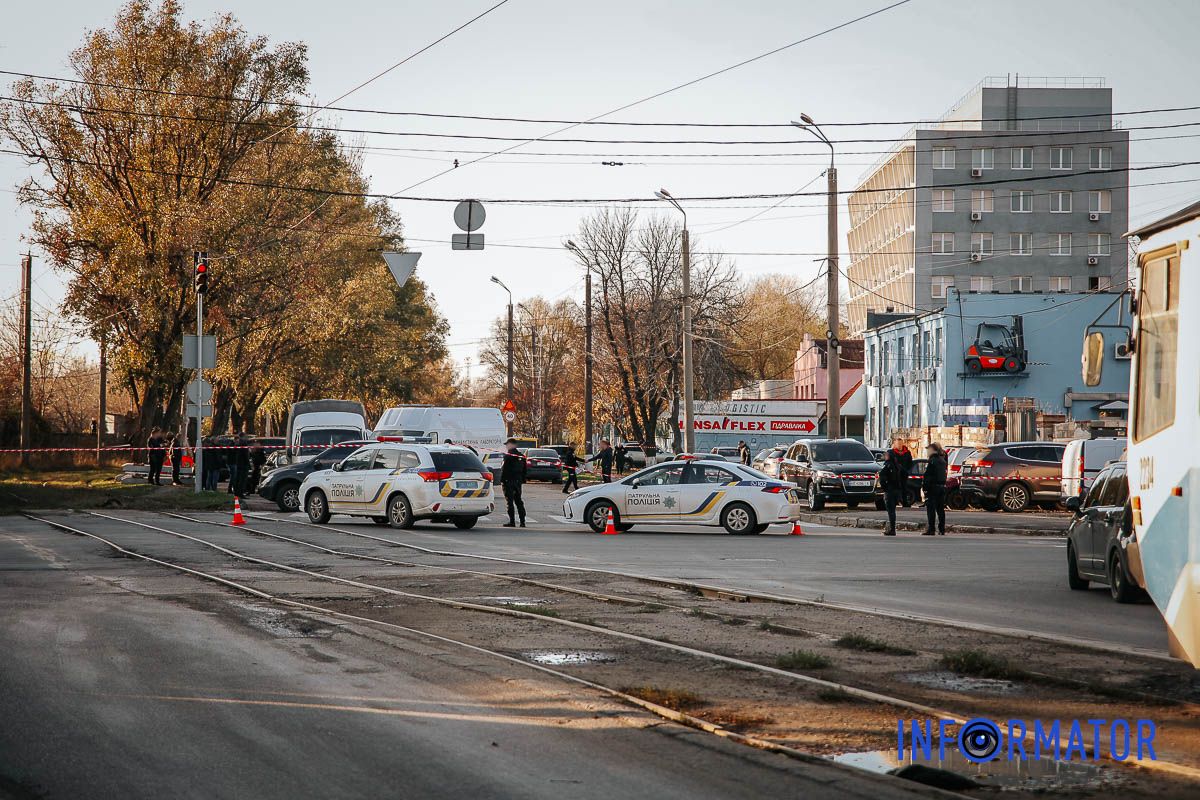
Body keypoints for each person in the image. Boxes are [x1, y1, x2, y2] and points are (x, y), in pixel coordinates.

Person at [878, 436, 913, 536]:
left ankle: (892, 529)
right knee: (892, 511)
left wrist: (885, 488)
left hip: (891, 490)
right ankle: (892, 528)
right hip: (896, 489)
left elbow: (882, 477)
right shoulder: (897, 466)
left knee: (891, 511)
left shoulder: (888, 465)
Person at [499, 438, 526, 528]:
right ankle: (522, 522)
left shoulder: (508, 456)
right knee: (519, 501)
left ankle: (512, 521)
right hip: (518, 481)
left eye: (507, 444)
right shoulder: (521, 456)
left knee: (510, 502)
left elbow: (504, 469)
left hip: (508, 481)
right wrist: (522, 480)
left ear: (512, 445)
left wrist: (502, 481)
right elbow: (525, 470)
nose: (506, 446)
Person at [922, 442, 948, 535]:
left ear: (932, 450)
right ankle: (941, 529)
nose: (927, 452)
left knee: (931, 508)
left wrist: (925, 488)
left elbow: (928, 475)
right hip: (941, 487)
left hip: (932, 488)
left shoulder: (932, 461)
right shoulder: (942, 460)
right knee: (940, 509)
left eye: (928, 450)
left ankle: (931, 529)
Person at [229, 432, 251, 496]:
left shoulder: (237, 443)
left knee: (238, 478)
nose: (246, 437)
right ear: (243, 436)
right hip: (243, 464)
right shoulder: (243, 443)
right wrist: (248, 463)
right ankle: (240, 493)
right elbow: (245, 454)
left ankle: (237, 492)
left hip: (238, 463)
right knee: (242, 479)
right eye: (245, 436)